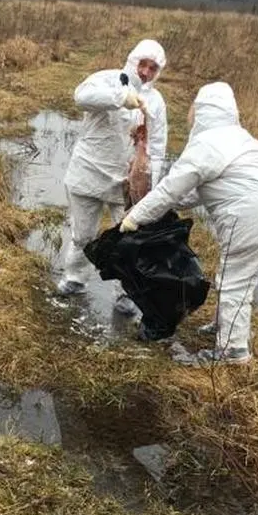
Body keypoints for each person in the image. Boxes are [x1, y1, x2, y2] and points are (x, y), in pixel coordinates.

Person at [119, 82, 258, 365]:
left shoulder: (207, 144)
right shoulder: (240, 138)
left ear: (201, 111)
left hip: (256, 217)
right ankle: (224, 326)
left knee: (233, 281)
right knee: (243, 276)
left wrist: (133, 218)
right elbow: (189, 194)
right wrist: (161, 202)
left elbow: (170, 191)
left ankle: (233, 352)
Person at [57, 39, 168, 317]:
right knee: (82, 235)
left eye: (153, 68)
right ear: (132, 61)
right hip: (87, 173)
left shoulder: (155, 102)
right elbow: (80, 97)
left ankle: (126, 293)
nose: (145, 72)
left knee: (128, 240)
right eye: (142, 64)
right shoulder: (106, 80)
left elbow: (158, 144)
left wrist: (152, 184)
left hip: (126, 183)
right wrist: (121, 98)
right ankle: (74, 278)